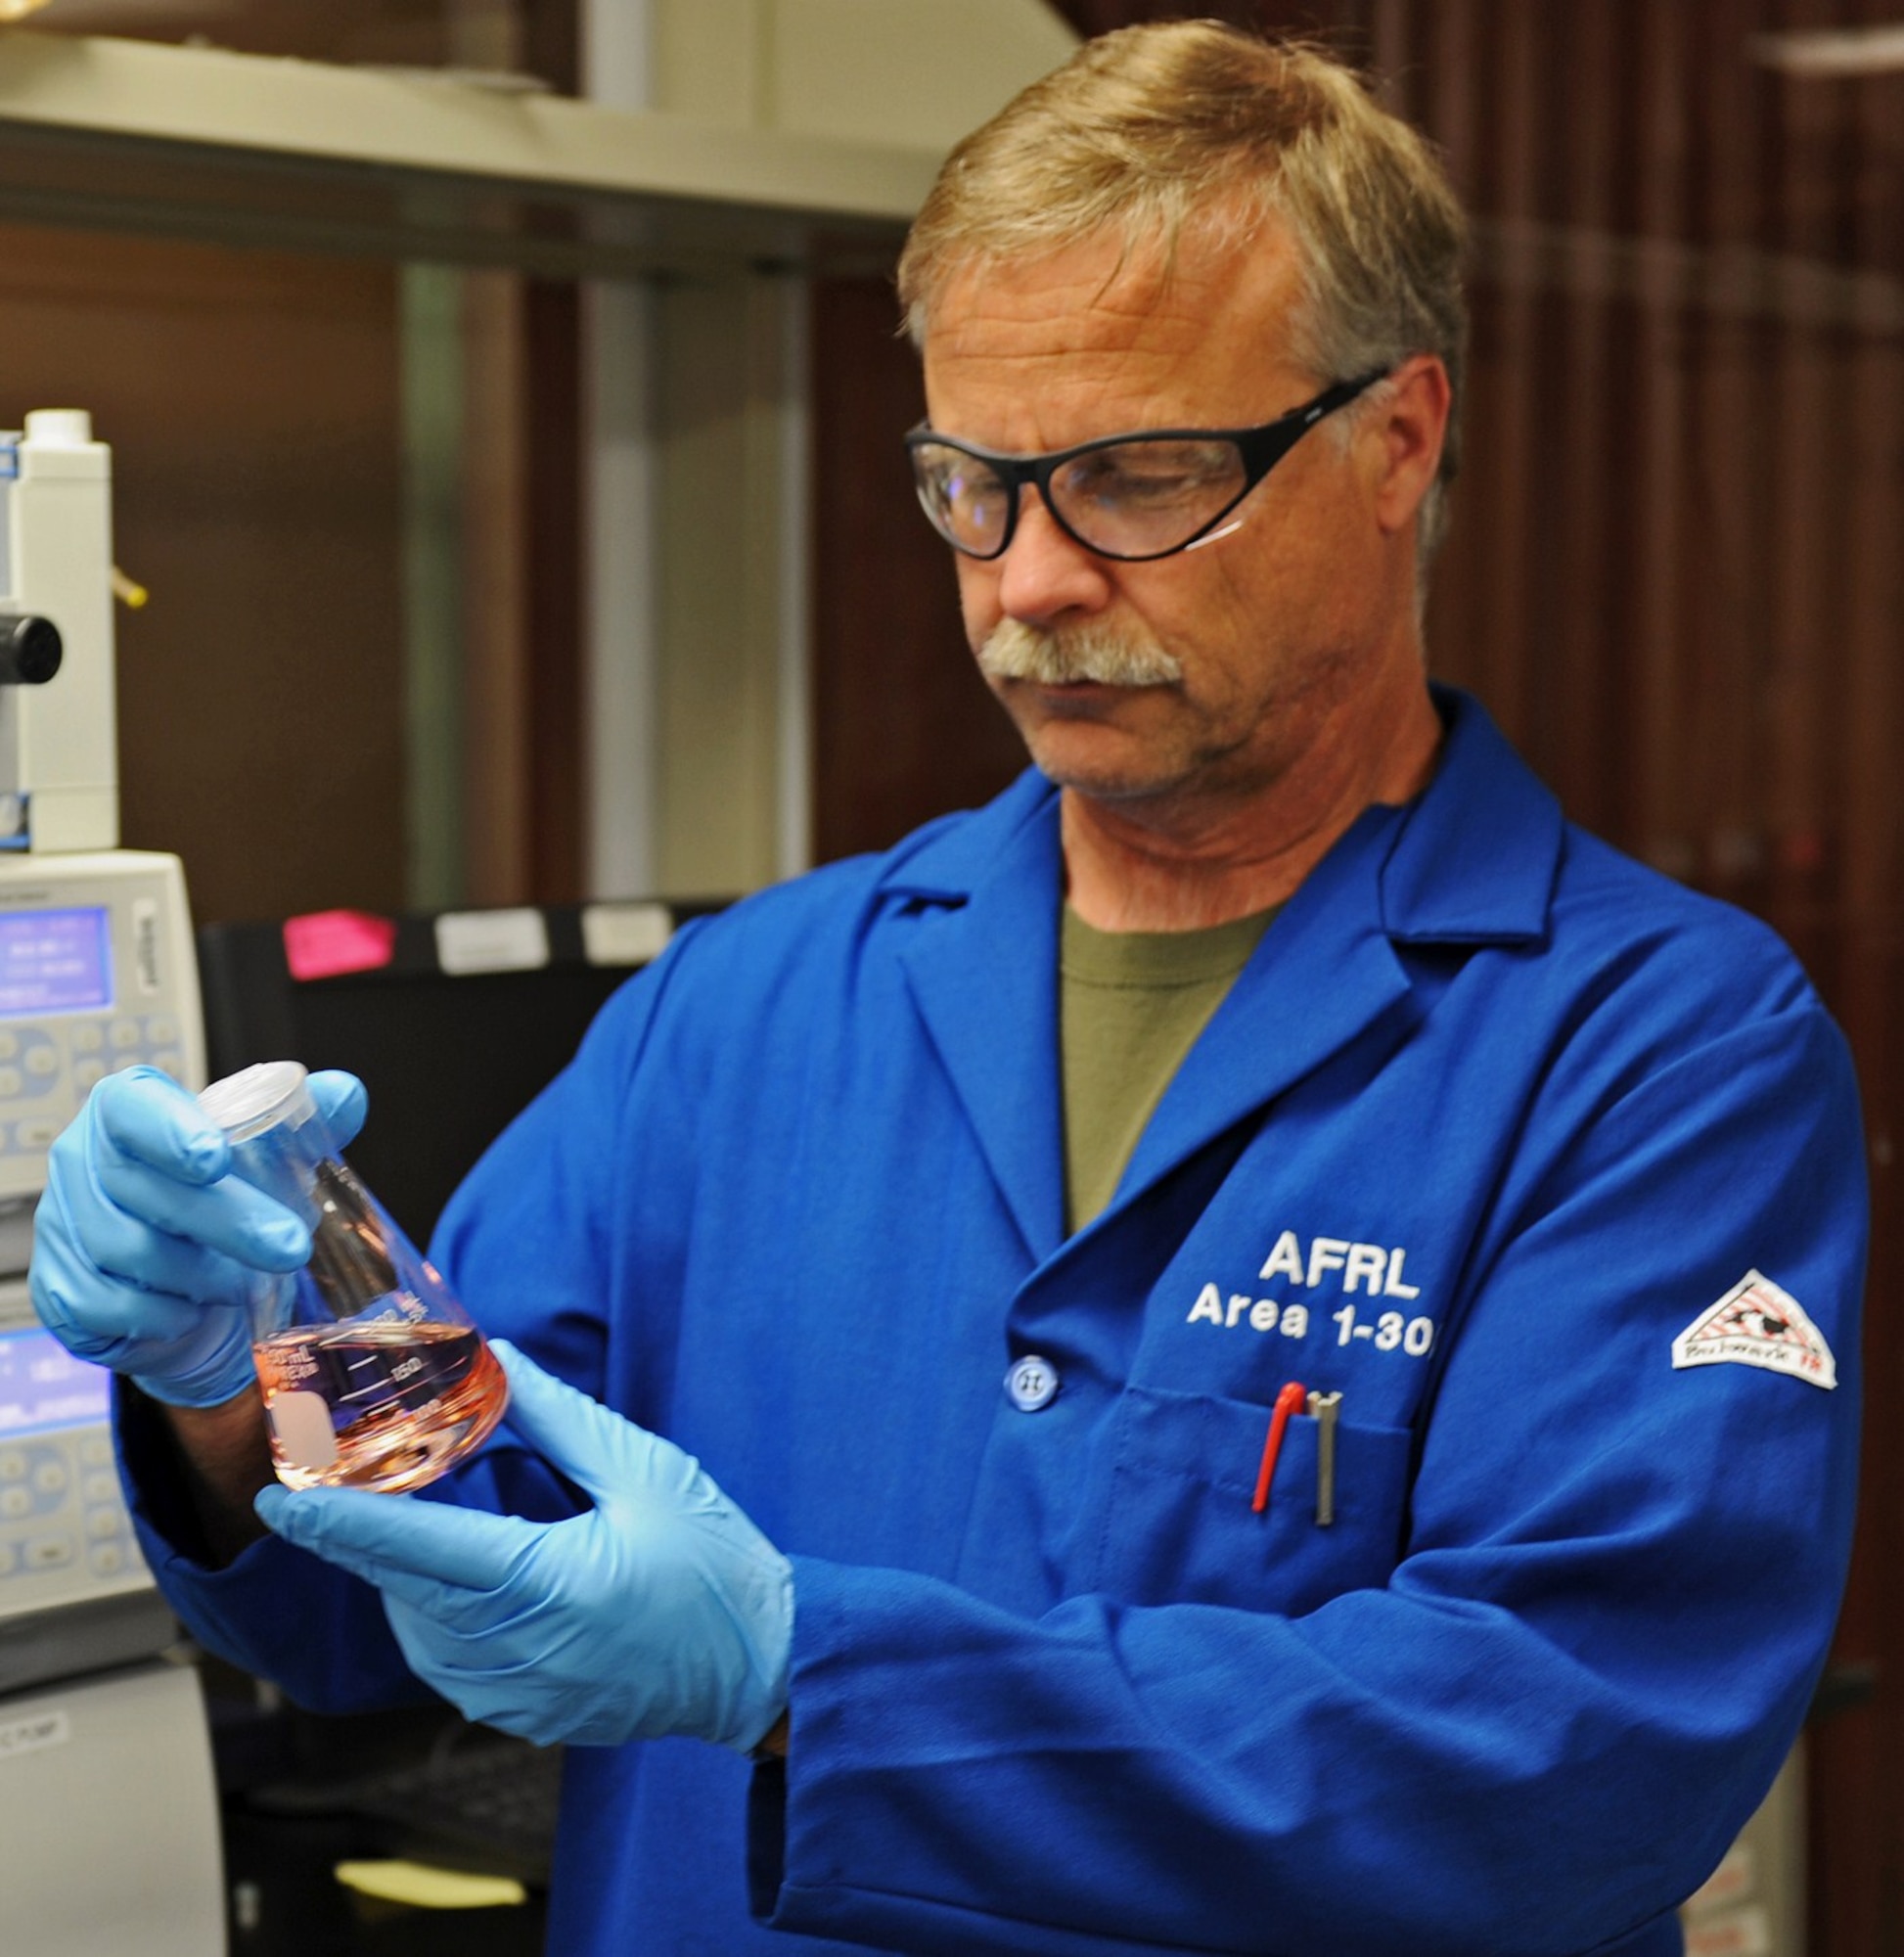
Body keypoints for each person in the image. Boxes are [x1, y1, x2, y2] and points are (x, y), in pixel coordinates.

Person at [28, 23, 1864, 1957]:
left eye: (1138, 478)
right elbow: (411, 1566)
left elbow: (1567, 1752)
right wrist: (241, 1380)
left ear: (1395, 439)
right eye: (971, 485)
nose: (1029, 583)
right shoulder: (739, 1010)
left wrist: (811, 1676)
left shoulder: (1654, 1053)